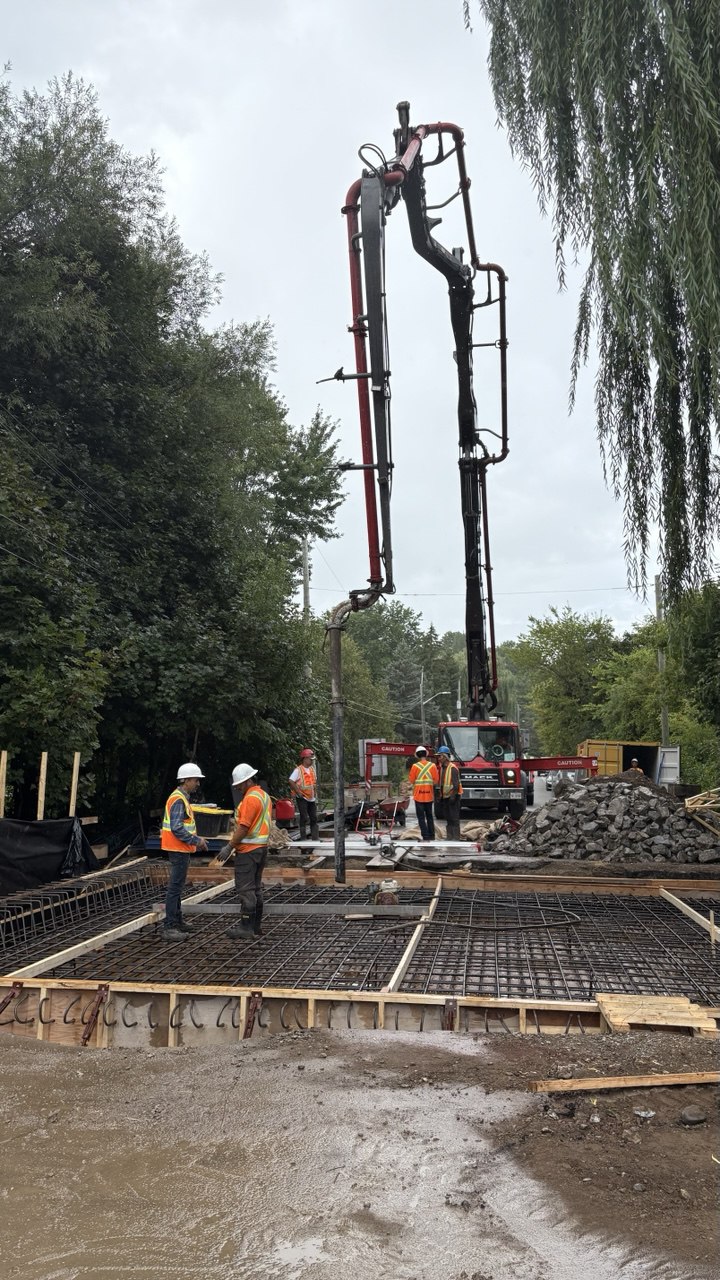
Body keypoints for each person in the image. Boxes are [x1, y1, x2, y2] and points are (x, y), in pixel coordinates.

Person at [218, 763, 272, 940]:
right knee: (255, 888)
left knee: (246, 889)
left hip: (248, 851)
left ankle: (246, 928)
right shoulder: (264, 796)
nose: (238, 788)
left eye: (240, 784)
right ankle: (255, 927)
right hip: (261, 849)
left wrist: (229, 846)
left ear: (248, 780)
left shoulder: (250, 799)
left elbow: (243, 827)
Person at [160, 763, 209, 942]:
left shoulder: (180, 798)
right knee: (174, 888)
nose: (197, 783)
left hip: (180, 849)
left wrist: (196, 840)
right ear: (186, 780)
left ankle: (177, 920)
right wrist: (197, 841)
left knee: (177, 887)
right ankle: (169, 926)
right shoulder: (178, 799)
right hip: (178, 849)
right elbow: (177, 828)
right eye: (195, 780)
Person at [408, 745, 439, 841]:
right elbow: (436, 781)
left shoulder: (415, 766)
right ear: (426, 754)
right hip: (429, 795)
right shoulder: (432, 766)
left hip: (418, 796)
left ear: (417, 755)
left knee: (421, 817)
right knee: (430, 816)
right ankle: (432, 835)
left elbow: (412, 780)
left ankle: (425, 836)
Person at [289, 747, 320, 841]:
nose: (312, 761)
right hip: (302, 797)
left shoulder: (312, 770)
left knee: (314, 818)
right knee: (304, 817)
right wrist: (298, 792)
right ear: (305, 759)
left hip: (311, 798)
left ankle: (315, 838)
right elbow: (291, 781)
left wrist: (315, 794)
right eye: (310, 759)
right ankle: (303, 838)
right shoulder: (298, 770)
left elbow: (313, 783)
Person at [436, 745, 463, 840]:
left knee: (454, 818)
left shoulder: (453, 768)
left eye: (440, 756)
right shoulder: (442, 768)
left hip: (453, 797)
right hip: (446, 797)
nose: (439, 758)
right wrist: (440, 796)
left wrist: (453, 796)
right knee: (448, 818)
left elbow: (456, 785)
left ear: (445, 757)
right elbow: (443, 783)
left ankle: (456, 837)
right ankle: (450, 836)